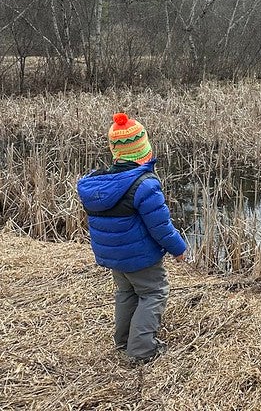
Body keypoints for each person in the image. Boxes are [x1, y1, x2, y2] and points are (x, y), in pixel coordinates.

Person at [77, 112, 187, 363]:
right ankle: (141, 350)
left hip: (114, 256)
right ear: (143, 151)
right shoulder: (144, 184)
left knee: (126, 293)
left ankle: (123, 341)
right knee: (153, 293)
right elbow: (161, 227)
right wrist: (178, 249)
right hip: (141, 257)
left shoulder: (98, 182)